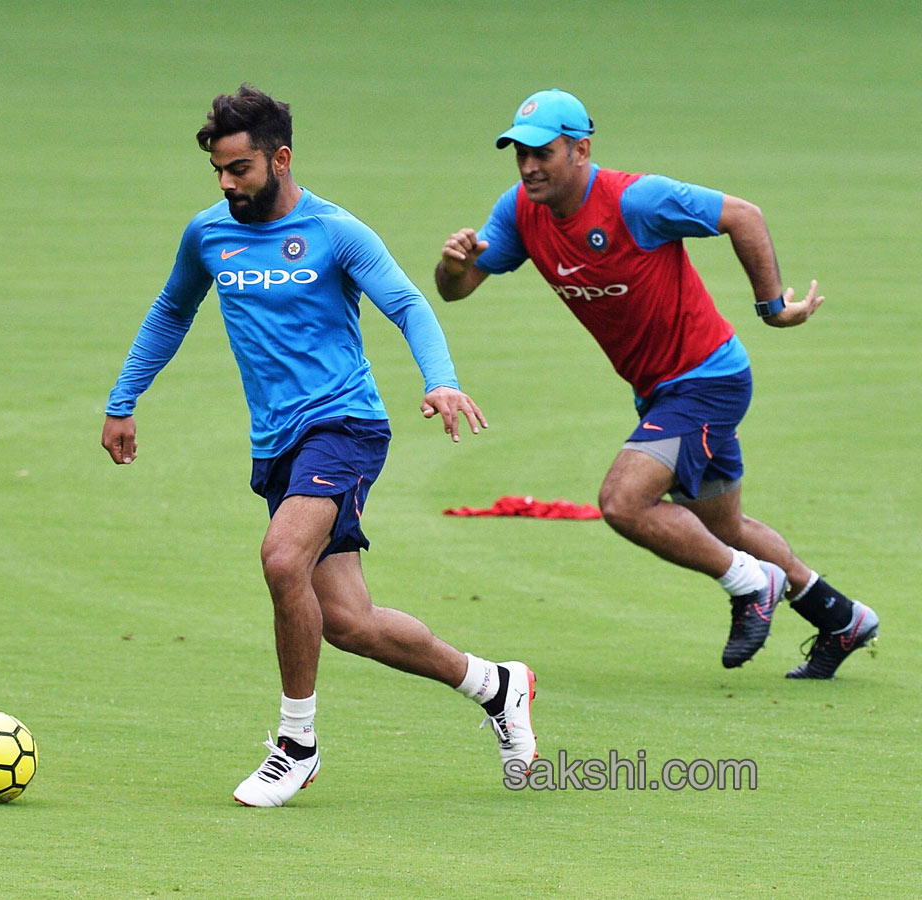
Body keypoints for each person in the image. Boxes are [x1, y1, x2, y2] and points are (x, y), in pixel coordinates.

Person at [102, 85, 536, 807]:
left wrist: (441, 380)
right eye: (217, 169)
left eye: (238, 168)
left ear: (281, 158)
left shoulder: (336, 231)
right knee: (348, 623)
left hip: (345, 427)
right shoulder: (208, 234)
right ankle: (496, 685)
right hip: (278, 444)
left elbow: (405, 302)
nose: (225, 183)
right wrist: (123, 401)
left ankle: (296, 746)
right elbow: (170, 311)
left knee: (281, 558)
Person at [435, 88, 879, 680]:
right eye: (519, 152)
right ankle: (842, 618)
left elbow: (741, 215)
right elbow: (455, 289)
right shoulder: (520, 211)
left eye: (543, 152)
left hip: (708, 379)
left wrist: (772, 307)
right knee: (724, 529)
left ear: (581, 149)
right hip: (661, 391)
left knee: (623, 502)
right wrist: (456, 265)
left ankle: (753, 585)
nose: (528, 165)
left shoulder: (635, 199)